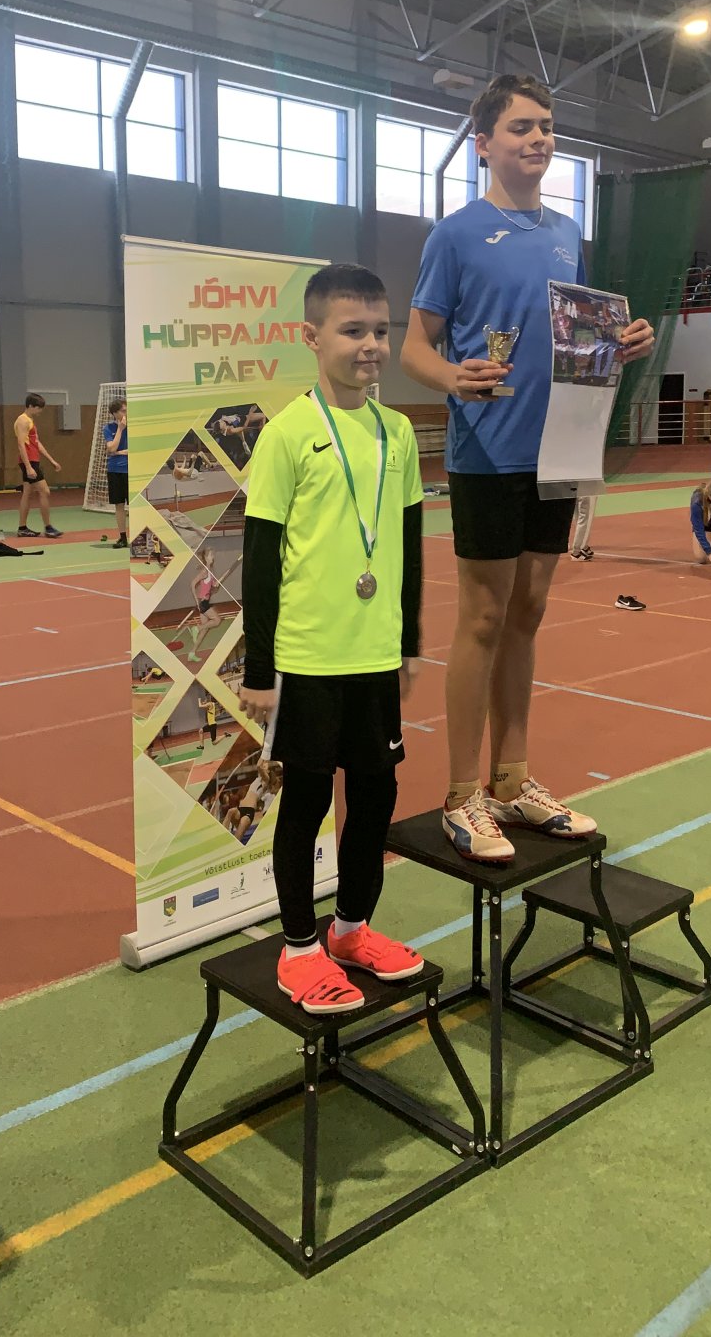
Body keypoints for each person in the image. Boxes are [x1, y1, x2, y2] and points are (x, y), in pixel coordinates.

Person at [400, 73, 655, 862]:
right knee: (482, 617)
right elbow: (414, 346)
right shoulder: (456, 235)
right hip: (488, 450)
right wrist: (452, 377)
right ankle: (461, 795)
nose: (538, 137)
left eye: (546, 126)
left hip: (560, 448)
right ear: (484, 144)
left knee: (530, 612)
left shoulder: (566, 233)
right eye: (521, 127)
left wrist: (619, 343)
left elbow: (570, 339)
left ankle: (511, 781)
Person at [240, 263, 424, 1014]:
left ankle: (350, 930)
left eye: (381, 330)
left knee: (376, 796)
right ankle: (298, 948)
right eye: (353, 331)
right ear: (311, 337)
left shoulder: (397, 432)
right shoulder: (287, 434)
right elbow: (258, 557)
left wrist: (409, 641)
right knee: (307, 802)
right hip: (308, 657)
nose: (371, 344)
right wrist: (259, 669)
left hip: (375, 656)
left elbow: (409, 544)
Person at [14, 393, 62, 539]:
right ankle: (48, 527)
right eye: (38, 408)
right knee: (44, 491)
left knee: (27, 493)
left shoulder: (30, 421)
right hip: (29, 461)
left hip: (33, 460)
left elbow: (36, 443)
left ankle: (22, 528)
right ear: (30, 406)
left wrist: (51, 460)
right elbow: (21, 445)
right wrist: (28, 467)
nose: (40, 411)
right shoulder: (23, 421)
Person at [103, 399, 129, 548]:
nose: (126, 413)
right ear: (115, 413)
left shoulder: (135, 427)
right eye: (123, 411)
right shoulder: (108, 428)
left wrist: (119, 452)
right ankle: (123, 537)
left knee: (135, 505)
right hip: (115, 471)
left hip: (131, 471)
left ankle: (139, 536)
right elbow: (111, 448)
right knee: (119, 505)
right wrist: (120, 429)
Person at [568, 495, 597, 561]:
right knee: (586, 517)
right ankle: (577, 551)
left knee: (579, 514)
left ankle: (583, 546)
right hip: (587, 490)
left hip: (575, 490)